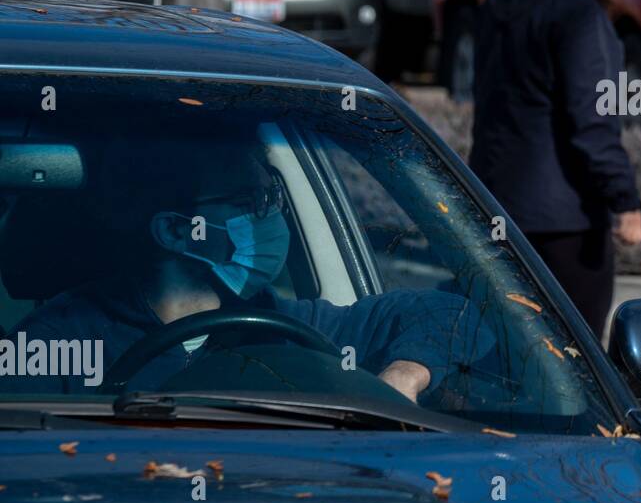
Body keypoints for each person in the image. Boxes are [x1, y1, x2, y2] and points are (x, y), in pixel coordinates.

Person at [3, 145, 455, 401]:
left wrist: (404, 374)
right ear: (177, 231)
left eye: (273, 198)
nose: (272, 218)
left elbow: (452, 315)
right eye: (252, 204)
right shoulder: (54, 344)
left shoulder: (288, 328)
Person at [470, 0, 641, 341]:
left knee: (502, 354)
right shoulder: (578, 14)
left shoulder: (500, 0)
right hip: (565, 222)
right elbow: (592, 122)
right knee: (574, 362)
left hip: (494, 204)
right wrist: (624, 200)